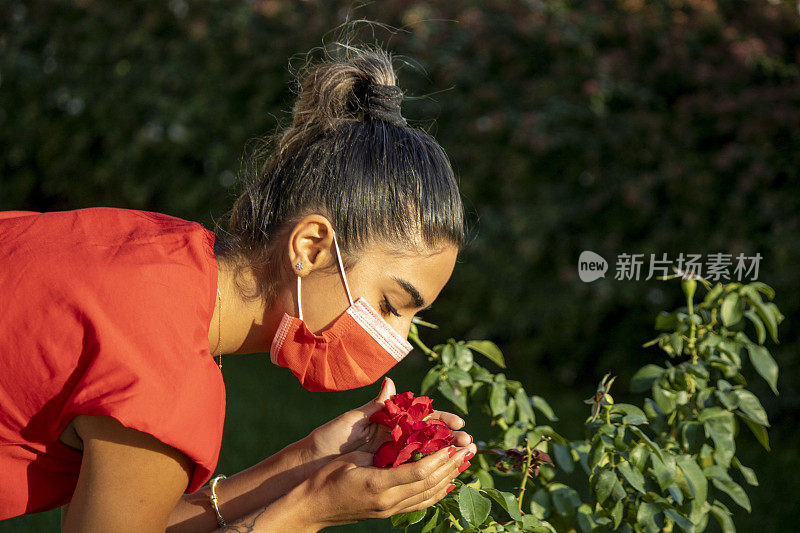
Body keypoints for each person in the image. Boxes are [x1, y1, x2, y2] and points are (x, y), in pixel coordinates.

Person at [0, 44, 477, 532]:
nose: (398, 340)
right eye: (391, 305)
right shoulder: (167, 377)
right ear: (310, 247)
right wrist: (309, 511)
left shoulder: (154, 248)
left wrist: (305, 462)